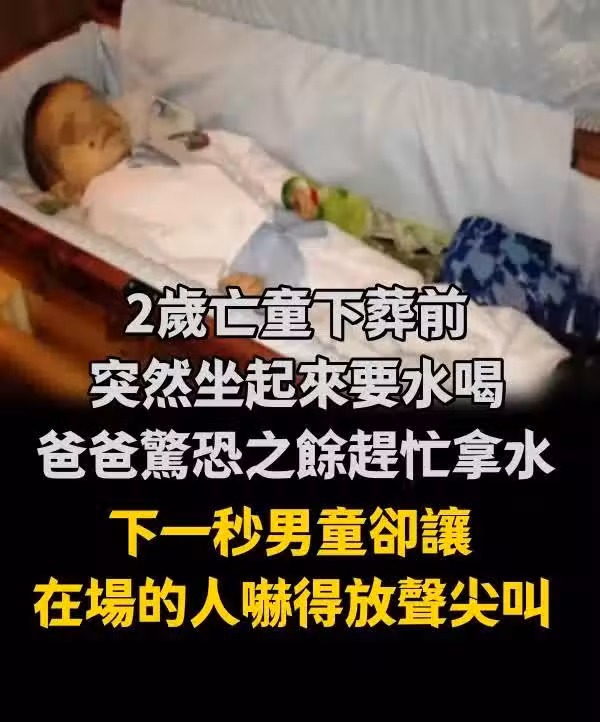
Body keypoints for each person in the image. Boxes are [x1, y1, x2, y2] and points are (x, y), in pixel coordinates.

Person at [22, 77, 571, 398]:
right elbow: (143, 274)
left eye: (96, 102)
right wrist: (213, 297)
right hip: (257, 289)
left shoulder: (175, 140)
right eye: (73, 129)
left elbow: (241, 158)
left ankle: (544, 367)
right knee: (368, 365)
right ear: (62, 186)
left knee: (419, 305)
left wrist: (289, 187)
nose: (96, 119)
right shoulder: (100, 211)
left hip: (305, 238)